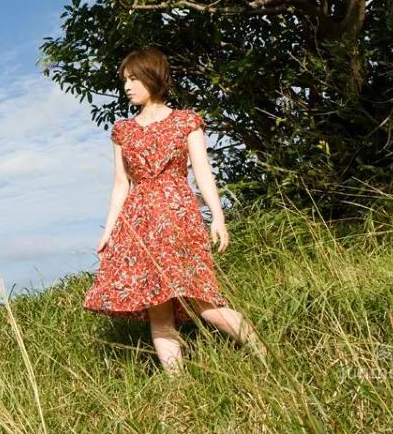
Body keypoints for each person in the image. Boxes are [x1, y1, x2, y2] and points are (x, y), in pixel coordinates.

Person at [82, 46, 268, 376]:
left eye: (134, 78)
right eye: (125, 79)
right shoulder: (123, 130)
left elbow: (202, 173)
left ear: (154, 77)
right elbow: (120, 185)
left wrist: (218, 217)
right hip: (138, 225)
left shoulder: (185, 122)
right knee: (159, 310)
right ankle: (177, 390)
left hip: (179, 217)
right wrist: (108, 230)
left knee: (203, 301)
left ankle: (265, 356)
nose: (127, 86)